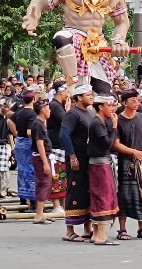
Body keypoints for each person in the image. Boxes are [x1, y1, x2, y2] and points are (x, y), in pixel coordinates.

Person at [22, 0, 131, 94]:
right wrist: (32, 16)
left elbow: (122, 22)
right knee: (61, 37)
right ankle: (71, 83)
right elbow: (38, 2)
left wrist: (119, 40)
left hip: (98, 45)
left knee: (104, 97)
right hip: (75, 37)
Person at [113, 89, 142, 241]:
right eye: (132, 100)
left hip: (141, 162)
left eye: (137, 100)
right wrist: (133, 151)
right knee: (124, 196)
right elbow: (116, 144)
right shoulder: (118, 120)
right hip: (125, 163)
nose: (136, 102)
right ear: (124, 103)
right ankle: (122, 229)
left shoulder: (141, 117)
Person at [60, 84, 93, 242]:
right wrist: (72, 156)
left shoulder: (90, 113)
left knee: (87, 191)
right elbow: (64, 135)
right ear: (79, 97)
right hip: (76, 158)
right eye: (88, 94)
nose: (91, 96)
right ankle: (69, 230)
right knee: (74, 190)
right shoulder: (72, 114)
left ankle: (88, 227)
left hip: (88, 158)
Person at [88, 94, 120, 245]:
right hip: (100, 164)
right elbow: (107, 144)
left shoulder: (100, 122)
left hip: (99, 162)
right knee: (103, 196)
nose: (112, 109)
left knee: (99, 194)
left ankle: (96, 233)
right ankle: (101, 235)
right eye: (109, 105)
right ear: (101, 107)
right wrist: (114, 127)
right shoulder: (97, 123)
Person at [8, 90, 37, 211]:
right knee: (31, 170)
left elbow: (9, 120)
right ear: (33, 99)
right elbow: (30, 132)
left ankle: (23, 199)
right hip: (27, 142)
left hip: (19, 141)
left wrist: (16, 134)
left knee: (22, 170)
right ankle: (33, 200)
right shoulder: (32, 114)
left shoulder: (19, 111)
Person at [47, 81, 70, 213]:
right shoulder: (55, 106)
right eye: (67, 92)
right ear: (61, 92)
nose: (68, 94)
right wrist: (68, 110)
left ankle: (62, 204)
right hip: (56, 145)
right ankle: (57, 205)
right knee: (57, 175)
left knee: (62, 176)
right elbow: (66, 121)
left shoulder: (58, 105)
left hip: (59, 144)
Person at [30, 99, 54, 224]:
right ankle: (39, 215)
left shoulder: (40, 124)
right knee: (44, 183)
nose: (50, 111)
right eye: (48, 108)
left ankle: (41, 212)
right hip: (40, 157)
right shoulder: (38, 124)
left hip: (43, 156)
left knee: (45, 183)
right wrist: (45, 162)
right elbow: (39, 145)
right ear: (43, 110)